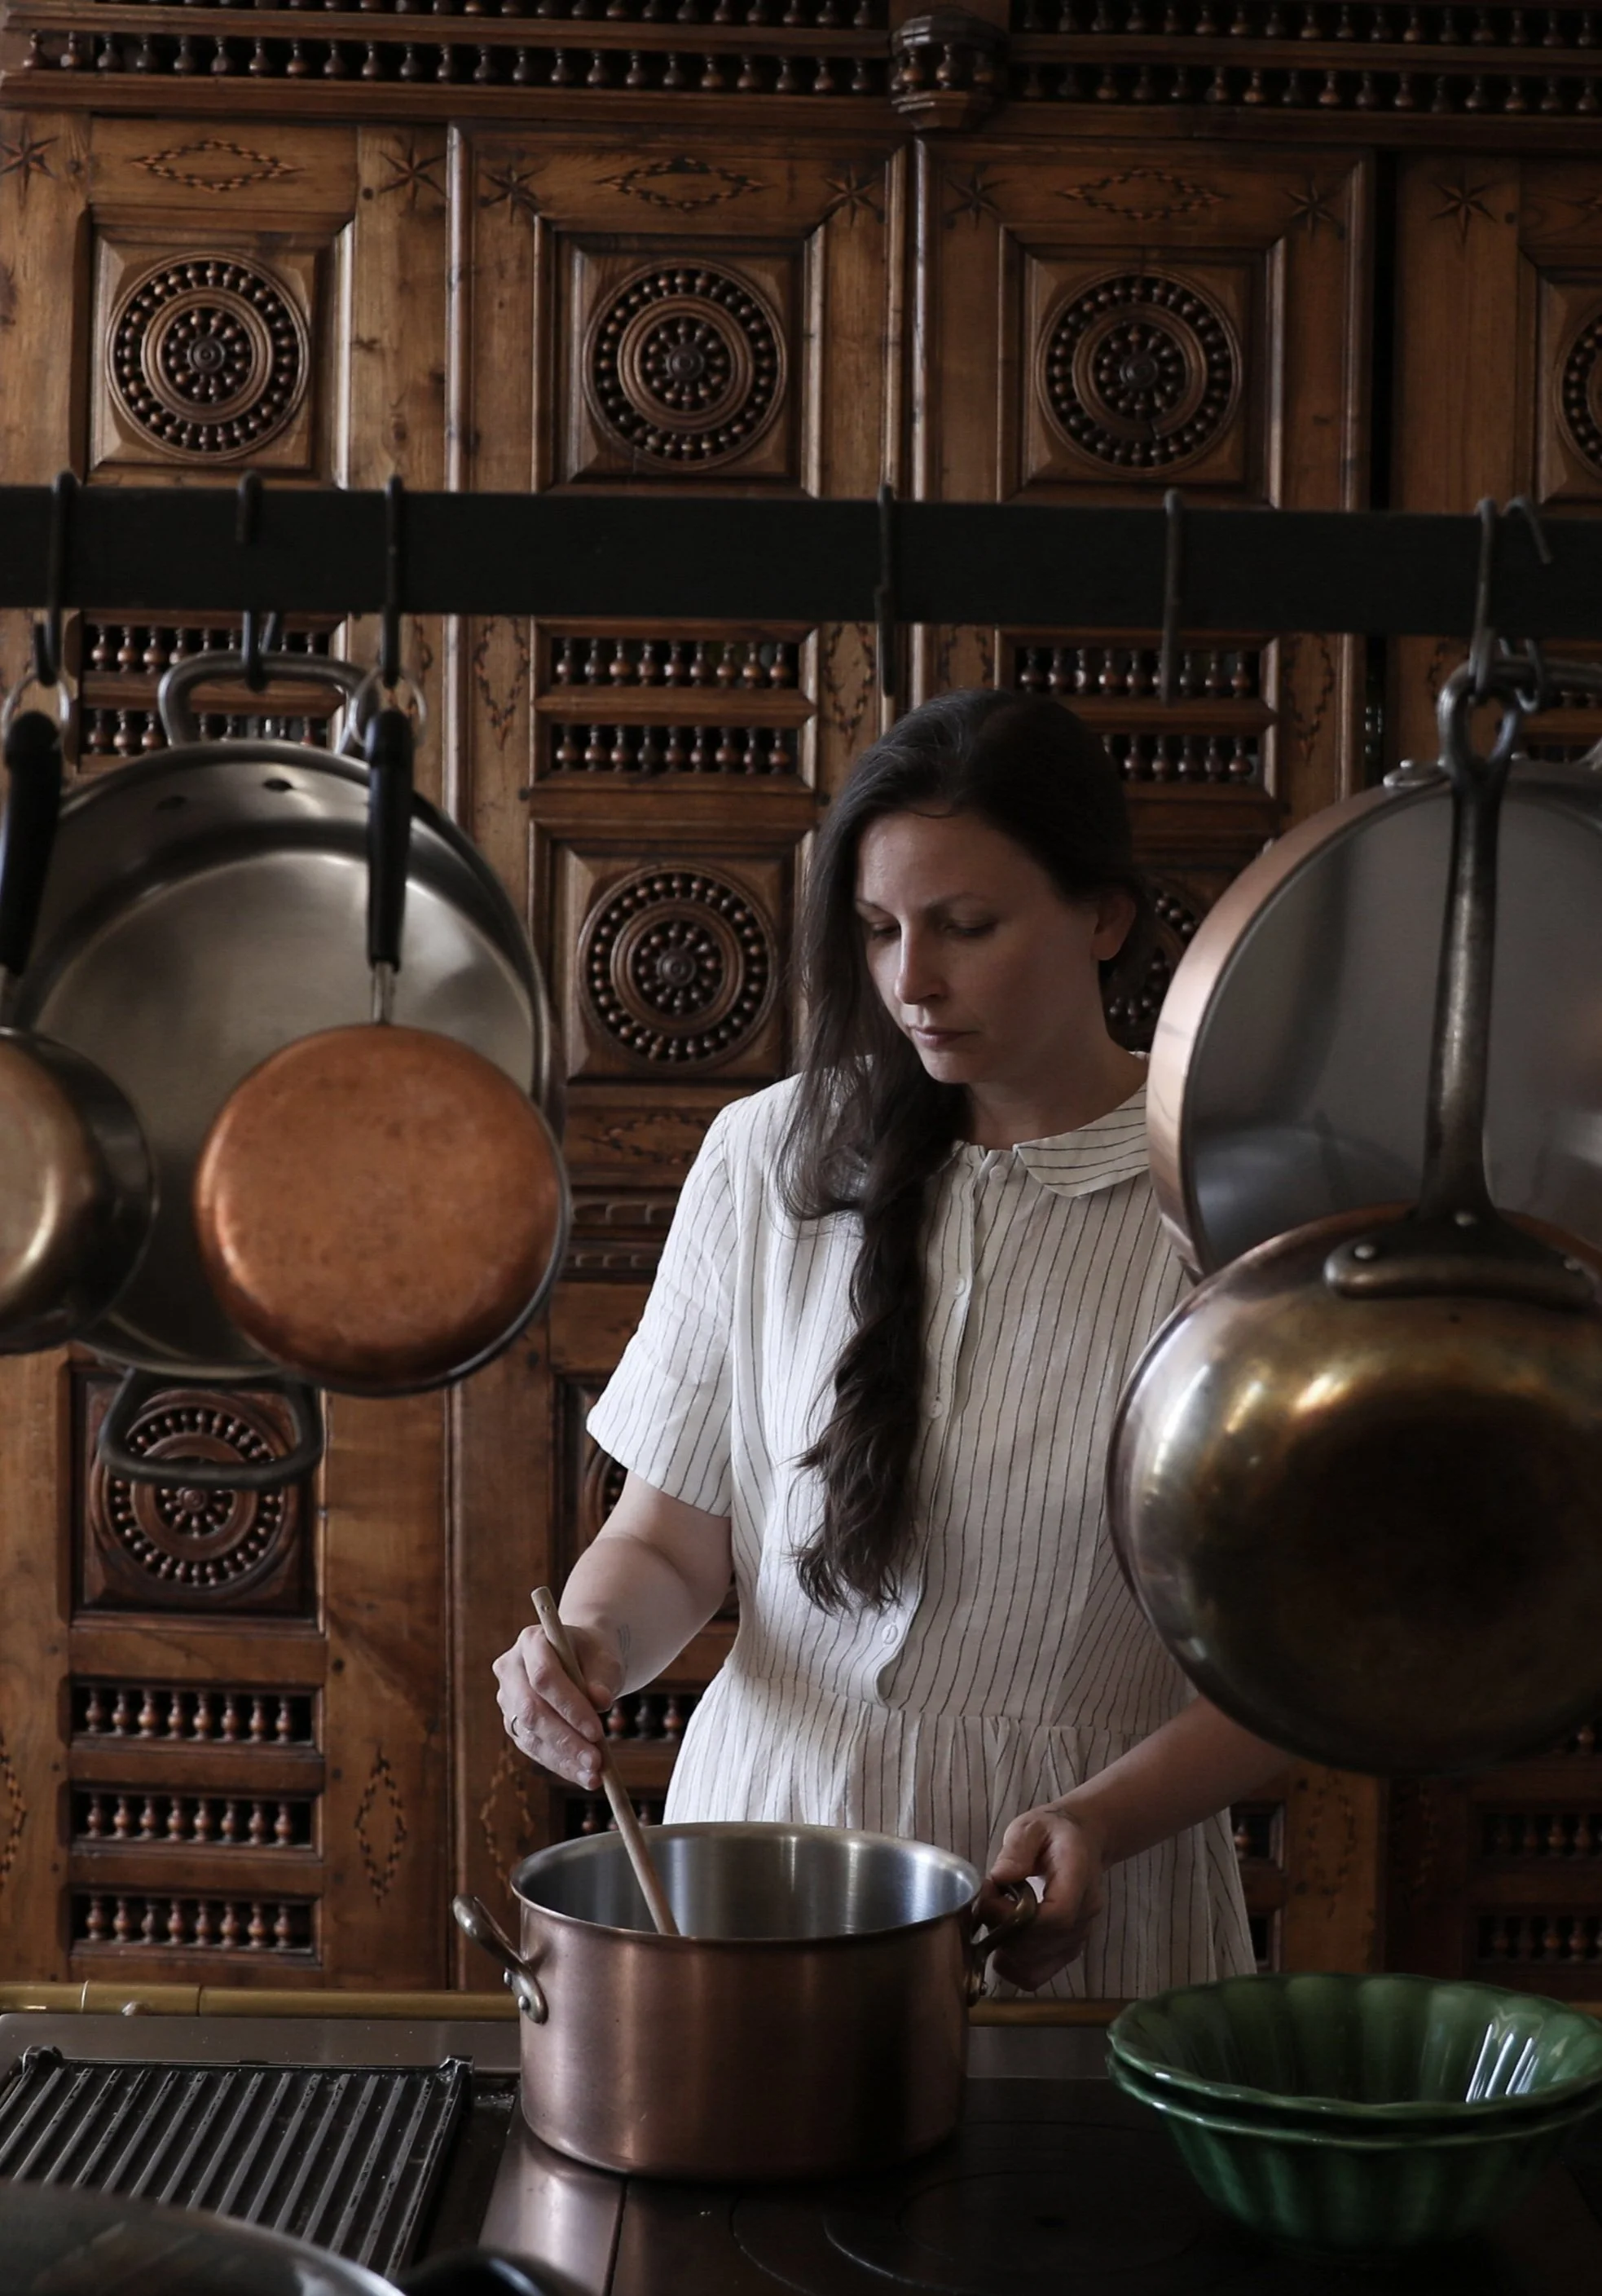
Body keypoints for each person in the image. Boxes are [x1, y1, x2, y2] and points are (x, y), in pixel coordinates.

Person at [494, 687, 1284, 1994]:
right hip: (766, 1851)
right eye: (876, 932)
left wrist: (1098, 1821)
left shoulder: (1223, 1196)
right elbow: (670, 1539)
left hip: (1080, 1870)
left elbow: (1289, 1669)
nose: (910, 983)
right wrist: (589, 1646)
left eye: (965, 928)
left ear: (1103, 916)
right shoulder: (769, 1155)